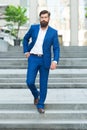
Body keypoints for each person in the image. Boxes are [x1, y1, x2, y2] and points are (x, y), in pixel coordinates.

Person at [23, 10, 60, 113]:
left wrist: (55, 61)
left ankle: (41, 104)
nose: (43, 19)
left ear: (49, 19)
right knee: (29, 81)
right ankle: (36, 95)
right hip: (33, 58)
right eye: (42, 17)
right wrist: (26, 51)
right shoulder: (33, 28)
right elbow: (25, 39)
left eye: (45, 17)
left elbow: (56, 48)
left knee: (43, 83)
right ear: (40, 18)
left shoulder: (53, 32)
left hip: (45, 60)